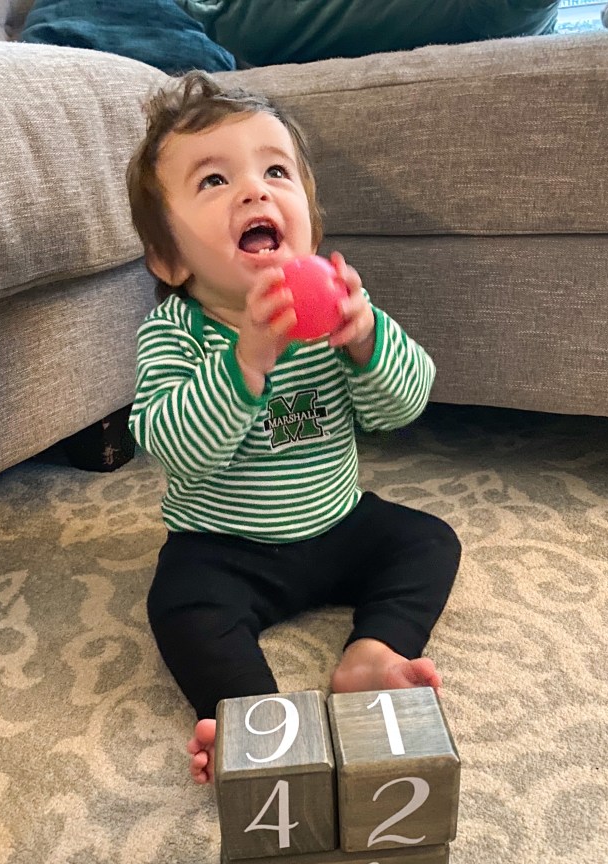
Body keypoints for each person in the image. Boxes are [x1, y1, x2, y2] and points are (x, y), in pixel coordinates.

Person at [126, 71, 461, 785]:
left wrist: (367, 342)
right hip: (225, 547)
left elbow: (402, 407)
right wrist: (246, 361)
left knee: (428, 541)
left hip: (336, 525)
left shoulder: (339, 314)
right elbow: (174, 449)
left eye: (275, 172)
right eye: (214, 180)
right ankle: (256, 719)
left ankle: (373, 653)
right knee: (181, 606)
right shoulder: (175, 332)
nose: (255, 191)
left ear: (309, 220)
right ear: (170, 259)